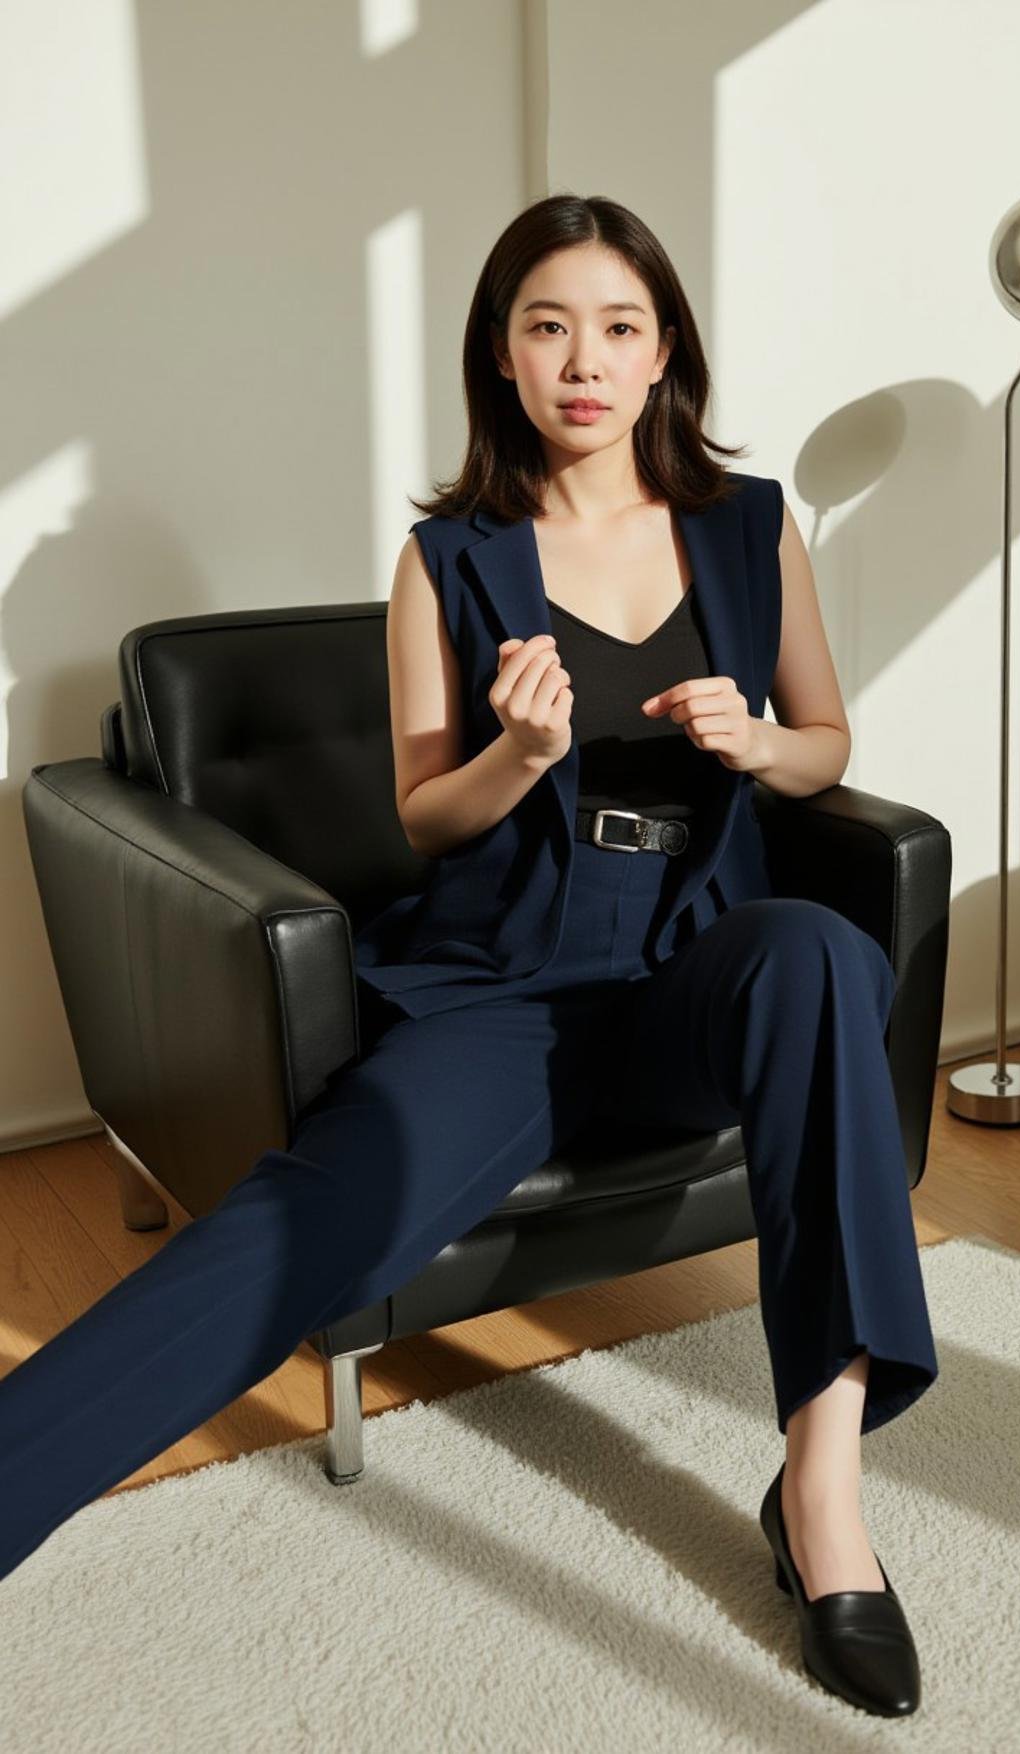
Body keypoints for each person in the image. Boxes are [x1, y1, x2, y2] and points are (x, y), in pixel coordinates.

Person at [0, 193, 937, 1719]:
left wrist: (763, 742)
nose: (585, 357)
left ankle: (823, 1501)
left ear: (664, 354)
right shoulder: (450, 556)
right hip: (500, 976)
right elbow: (429, 817)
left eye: (619, 326)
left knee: (820, 955)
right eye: (548, 324)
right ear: (501, 358)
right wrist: (517, 750)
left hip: (698, 957)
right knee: (319, 1209)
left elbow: (830, 739)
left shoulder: (753, 529)